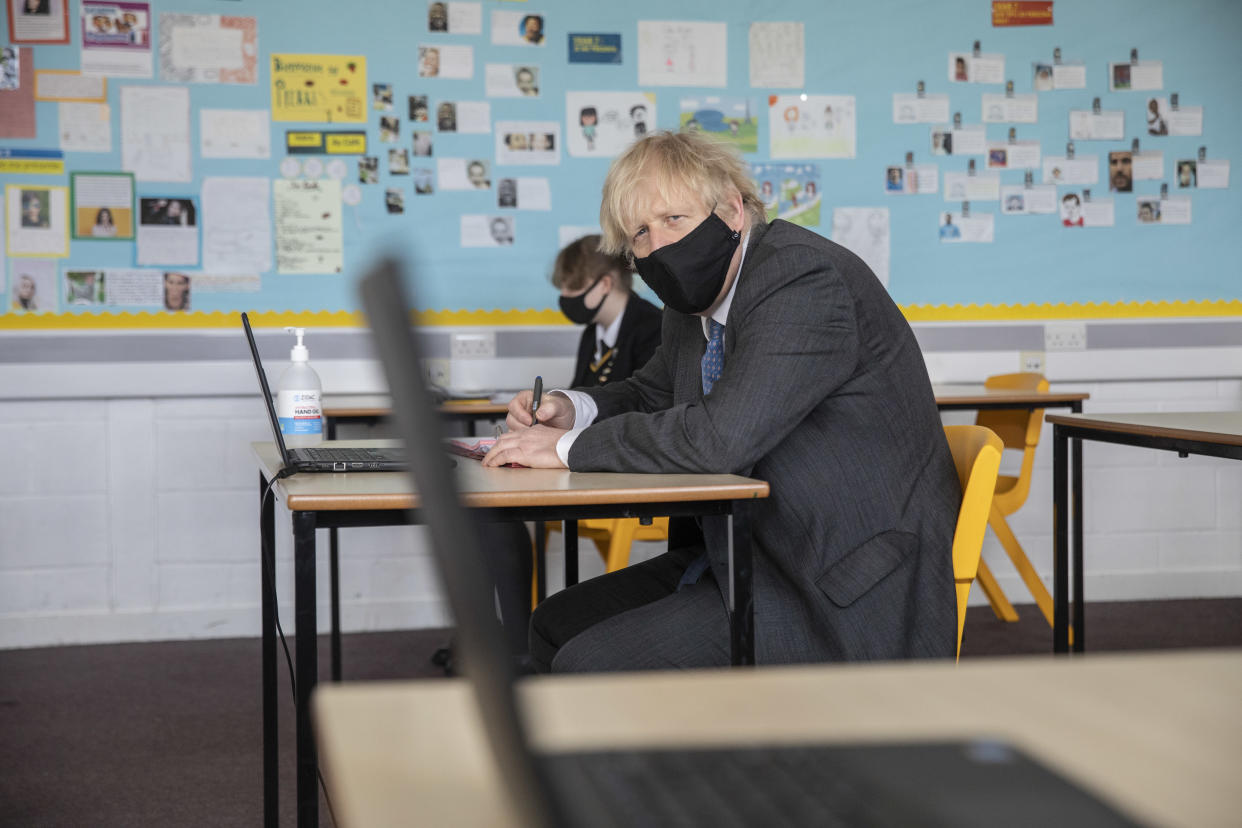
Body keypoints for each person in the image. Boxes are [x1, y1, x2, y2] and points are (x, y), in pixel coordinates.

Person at [484, 130, 960, 672]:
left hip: (838, 581)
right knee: (552, 624)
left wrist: (568, 449)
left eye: (673, 220)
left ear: (732, 210)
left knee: (591, 661)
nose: (657, 245)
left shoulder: (800, 278)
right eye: (639, 233)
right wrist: (573, 409)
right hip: (745, 555)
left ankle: (696, 756)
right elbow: (649, 392)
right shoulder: (692, 308)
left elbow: (721, 439)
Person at [485, 235, 664, 665]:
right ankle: (522, 640)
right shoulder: (593, 334)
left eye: (571, 287)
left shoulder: (653, 327)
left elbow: (645, 410)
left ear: (605, 284)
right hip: (585, 465)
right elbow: (585, 402)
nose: (565, 298)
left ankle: (539, 647)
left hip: (628, 471)